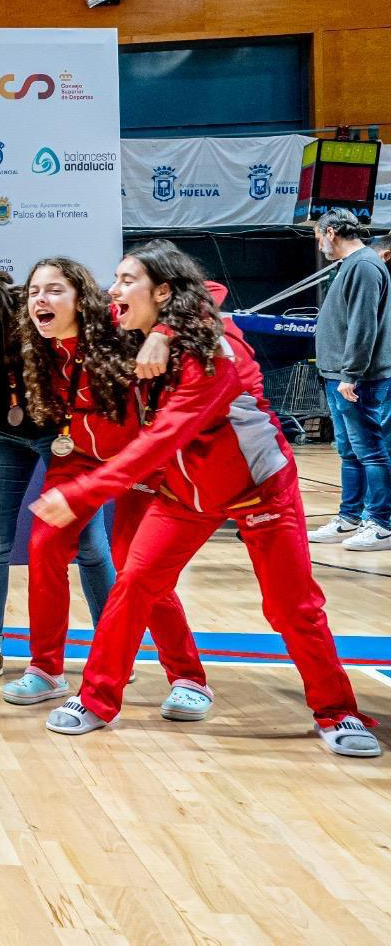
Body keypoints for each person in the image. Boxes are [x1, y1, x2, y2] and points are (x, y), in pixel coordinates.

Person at [37, 241, 381, 758]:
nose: (114, 291)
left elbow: (164, 435)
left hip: (258, 490)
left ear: (164, 291)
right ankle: (97, 699)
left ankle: (337, 712)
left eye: (126, 280)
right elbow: (205, 290)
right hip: (184, 494)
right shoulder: (140, 318)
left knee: (292, 609)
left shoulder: (218, 353)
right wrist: (160, 329)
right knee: (134, 584)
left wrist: (84, 491)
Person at [12, 256, 209, 714]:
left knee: (135, 565)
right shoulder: (37, 346)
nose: (41, 298)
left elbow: (208, 293)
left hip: (142, 467)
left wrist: (160, 334)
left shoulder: (122, 330)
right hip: (75, 460)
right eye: (34, 291)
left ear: (84, 298)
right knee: (42, 549)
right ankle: (46, 670)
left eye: (55, 289)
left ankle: (188, 678)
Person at [307, 208, 391, 551]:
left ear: (330, 233)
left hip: (358, 379)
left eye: (317, 238)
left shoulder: (365, 266)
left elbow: (363, 325)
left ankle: (382, 524)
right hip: (339, 377)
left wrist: (350, 373)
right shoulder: (350, 267)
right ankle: (350, 517)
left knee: (371, 451)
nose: (319, 246)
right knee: (350, 452)